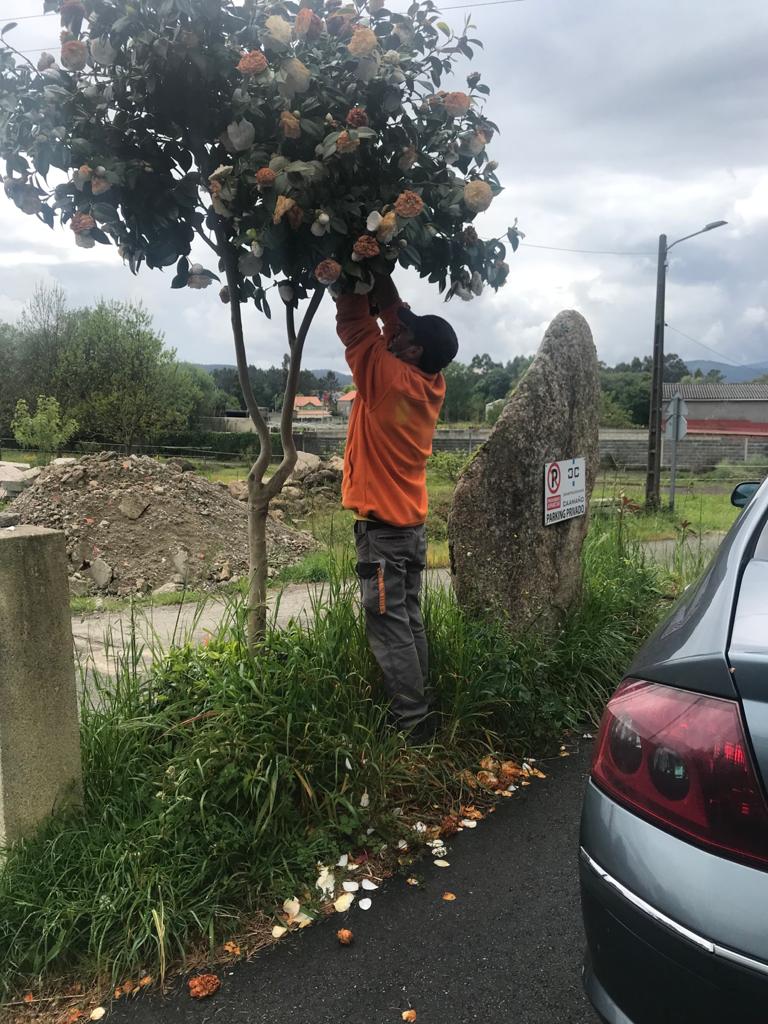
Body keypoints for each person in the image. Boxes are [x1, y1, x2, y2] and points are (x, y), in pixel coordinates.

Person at [334, 273, 459, 742]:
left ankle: (412, 725)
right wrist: (382, 277)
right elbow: (392, 325)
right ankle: (420, 707)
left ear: (411, 352)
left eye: (403, 334)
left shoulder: (386, 380)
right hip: (408, 526)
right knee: (408, 621)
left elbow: (355, 326)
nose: (395, 330)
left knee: (389, 628)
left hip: (384, 534)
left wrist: (351, 264)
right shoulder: (431, 380)